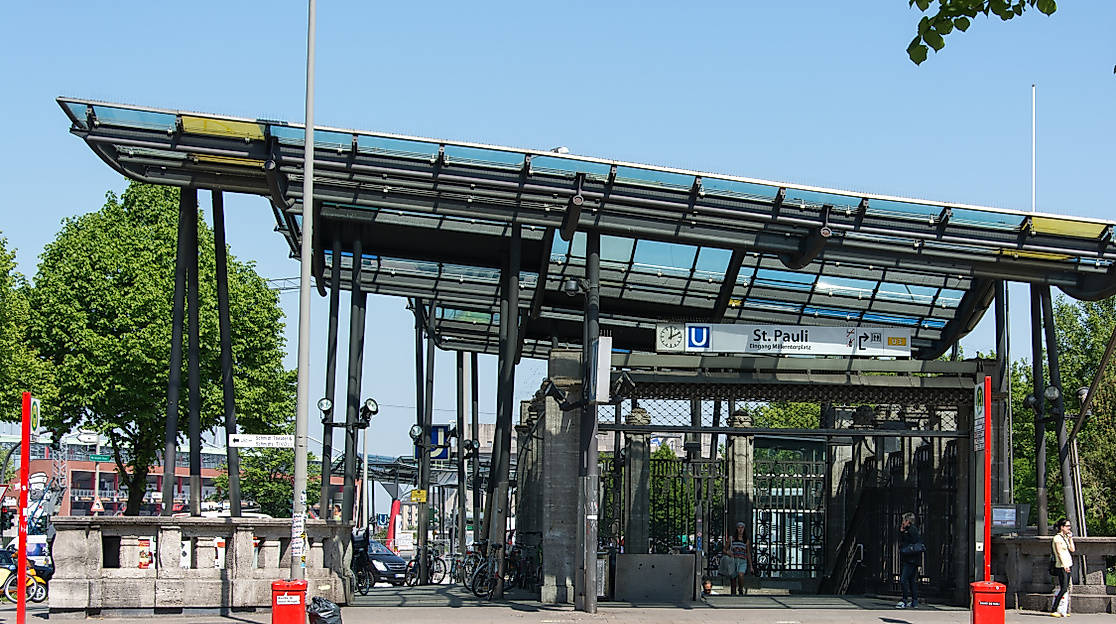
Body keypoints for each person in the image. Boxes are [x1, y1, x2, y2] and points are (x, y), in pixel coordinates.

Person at [897, 512, 924, 609]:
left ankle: (904, 600)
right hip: (913, 559)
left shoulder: (912, 529)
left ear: (908, 521)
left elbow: (913, 540)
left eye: (904, 520)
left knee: (903, 579)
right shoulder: (909, 530)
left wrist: (903, 533)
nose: (902, 523)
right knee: (911, 580)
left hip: (911, 560)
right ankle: (914, 601)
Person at [1051, 518, 1075, 617]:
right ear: (1062, 527)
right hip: (1061, 566)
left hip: (1068, 564)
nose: (1069, 528)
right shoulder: (1057, 538)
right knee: (1063, 588)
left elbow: (1072, 549)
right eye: (1067, 526)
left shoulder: (1065, 537)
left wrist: (1070, 538)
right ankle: (1054, 608)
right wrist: (1064, 565)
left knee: (1066, 587)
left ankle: (1062, 609)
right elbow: (1059, 552)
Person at [724, 521, 753, 596]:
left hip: (742, 560)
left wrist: (751, 566)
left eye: (742, 528)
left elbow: (748, 553)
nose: (740, 529)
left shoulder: (746, 540)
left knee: (741, 574)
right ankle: (733, 594)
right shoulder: (731, 539)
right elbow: (724, 549)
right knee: (733, 580)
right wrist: (728, 553)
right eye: (739, 528)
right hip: (733, 560)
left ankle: (740, 589)